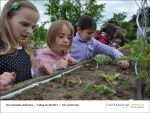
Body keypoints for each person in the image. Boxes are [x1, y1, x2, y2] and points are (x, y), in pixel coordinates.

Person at [0, 0, 40, 91]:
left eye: (33, 27)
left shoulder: (26, 49)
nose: (30, 31)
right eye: (25, 24)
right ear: (7, 19)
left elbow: (32, 75)